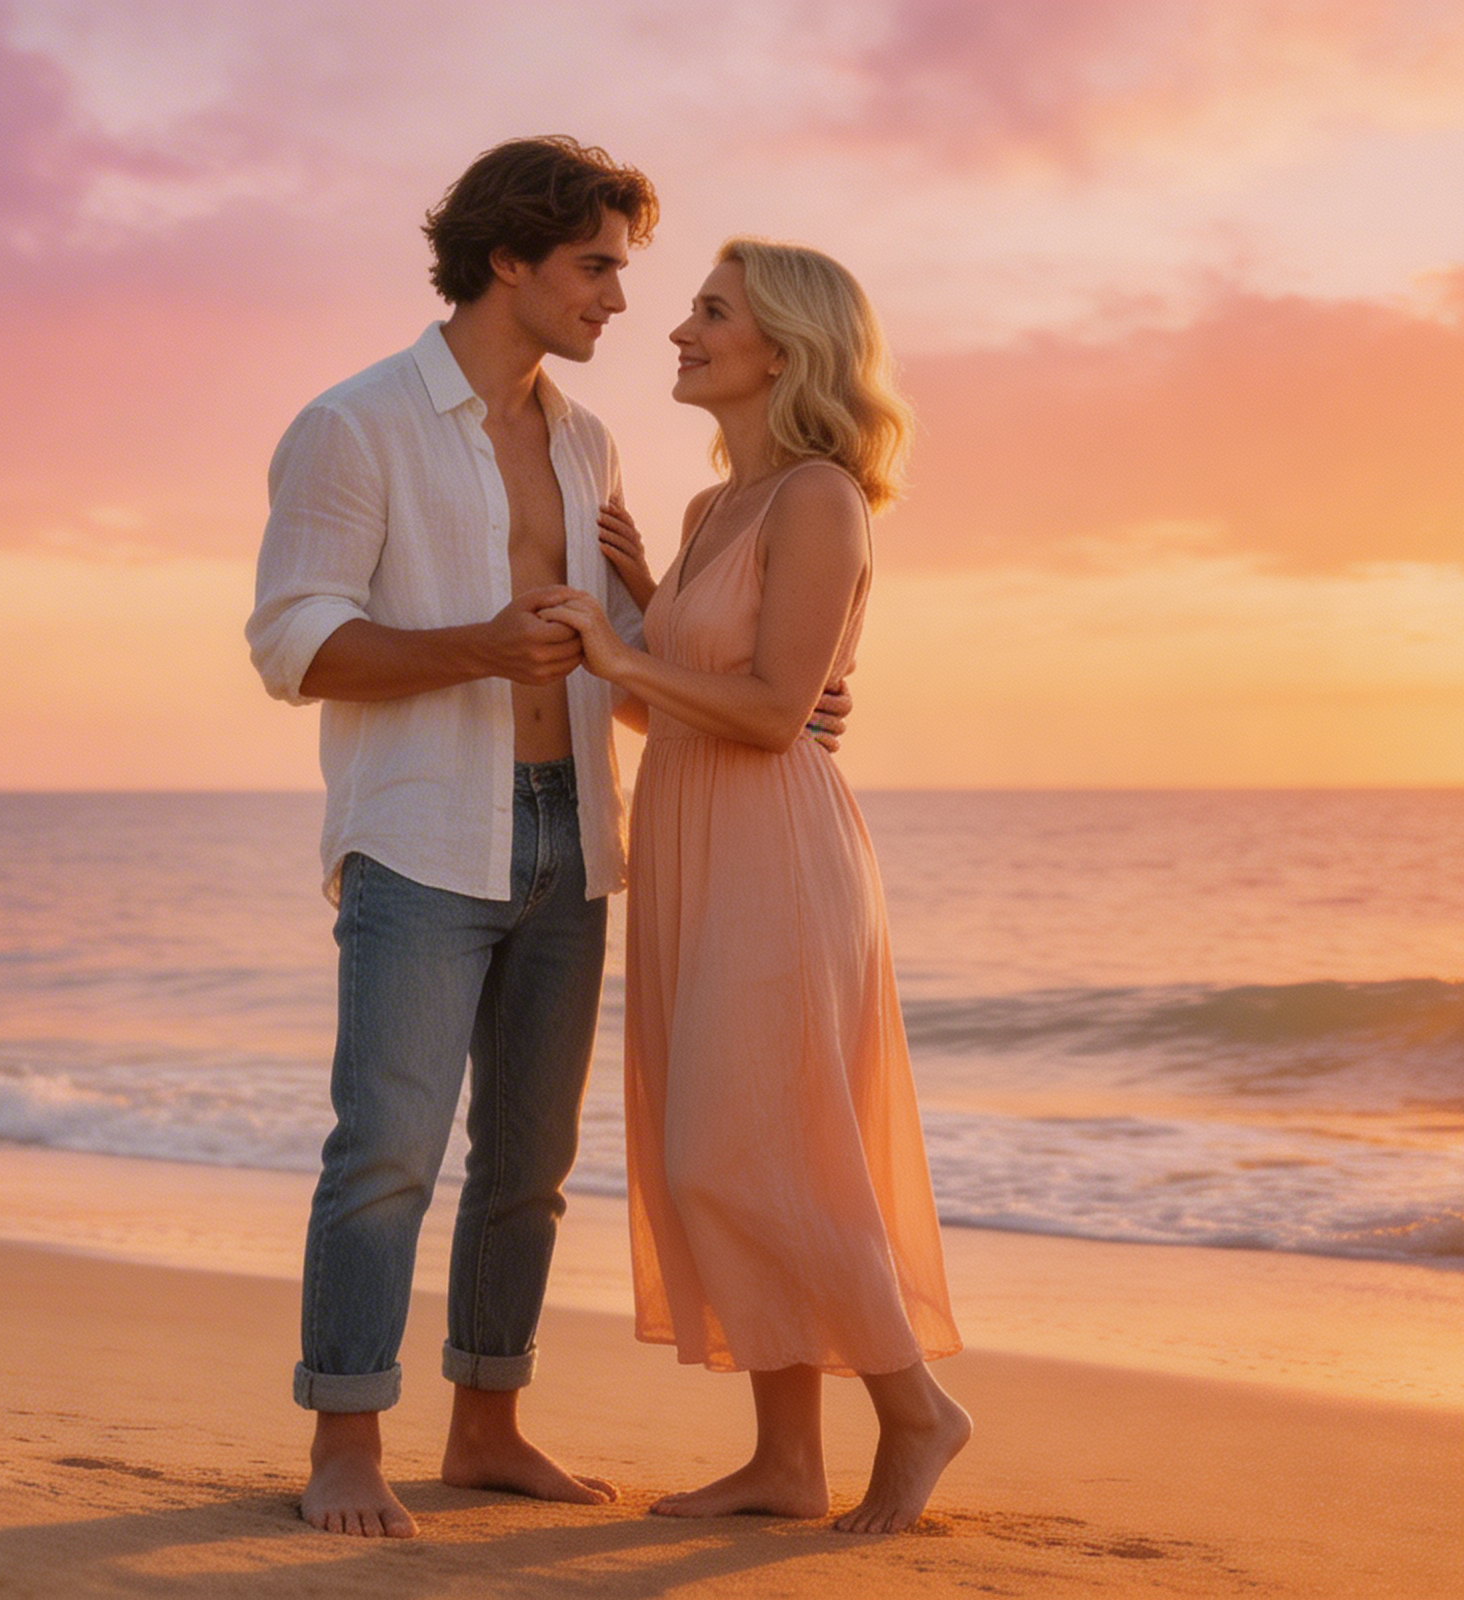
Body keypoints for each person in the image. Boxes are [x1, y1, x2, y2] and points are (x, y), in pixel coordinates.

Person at [244, 139, 856, 1539]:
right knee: (387, 1153)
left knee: (528, 1169)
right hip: (421, 838)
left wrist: (783, 696)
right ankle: (347, 1439)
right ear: (508, 257)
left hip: (573, 836)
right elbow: (292, 646)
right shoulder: (354, 425)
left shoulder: (586, 444)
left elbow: (625, 668)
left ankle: (487, 1426)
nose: (620, 302)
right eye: (596, 267)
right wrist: (473, 645)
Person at [536, 238, 969, 1535]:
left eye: (710, 311)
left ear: (783, 348)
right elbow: (669, 711)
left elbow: (779, 713)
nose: (678, 328)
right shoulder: (708, 511)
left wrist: (626, 645)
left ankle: (917, 1411)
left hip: (775, 852)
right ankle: (787, 1462)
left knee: (753, 1149)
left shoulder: (821, 499)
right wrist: (640, 614)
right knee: (730, 1146)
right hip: (693, 839)